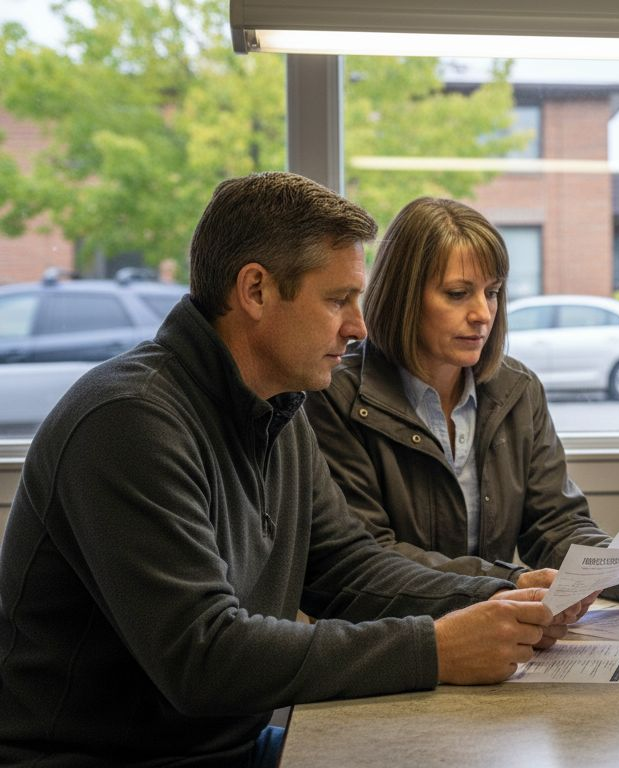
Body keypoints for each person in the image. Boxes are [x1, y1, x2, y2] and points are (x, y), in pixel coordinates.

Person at [0, 173, 579, 766]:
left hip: (228, 748)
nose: (358, 326)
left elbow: (346, 566)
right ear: (255, 290)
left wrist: (500, 596)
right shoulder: (130, 420)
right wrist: (434, 648)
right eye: (337, 300)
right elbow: (204, 657)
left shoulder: (279, 409)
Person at [303, 197, 619, 608]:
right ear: (402, 296)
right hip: (392, 639)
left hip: (491, 629)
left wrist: (618, 571)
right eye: (457, 293)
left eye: (493, 292)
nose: (483, 313)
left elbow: (553, 523)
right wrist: (508, 582)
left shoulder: (517, 389)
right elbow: (366, 555)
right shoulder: (334, 395)